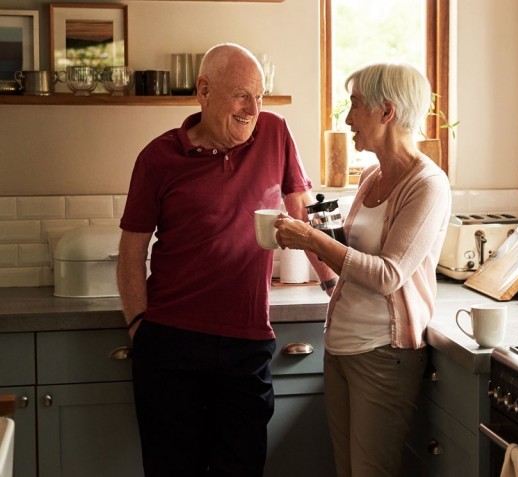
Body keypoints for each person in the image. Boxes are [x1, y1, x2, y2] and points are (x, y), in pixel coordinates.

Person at [116, 43, 337, 477]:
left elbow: (302, 215)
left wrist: (334, 286)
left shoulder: (275, 133)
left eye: (259, 94)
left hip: (246, 345)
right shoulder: (158, 158)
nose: (252, 107)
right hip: (171, 345)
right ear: (203, 91)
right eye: (240, 94)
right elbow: (130, 251)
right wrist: (139, 327)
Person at [274, 62, 452, 477]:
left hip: (382, 355)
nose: (349, 118)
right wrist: (322, 257)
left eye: (355, 105)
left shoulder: (428, 184)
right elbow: (353, 253)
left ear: (386, 112)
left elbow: (390, 274)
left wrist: (311, 240)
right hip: (340, 348)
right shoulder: (372, 177)